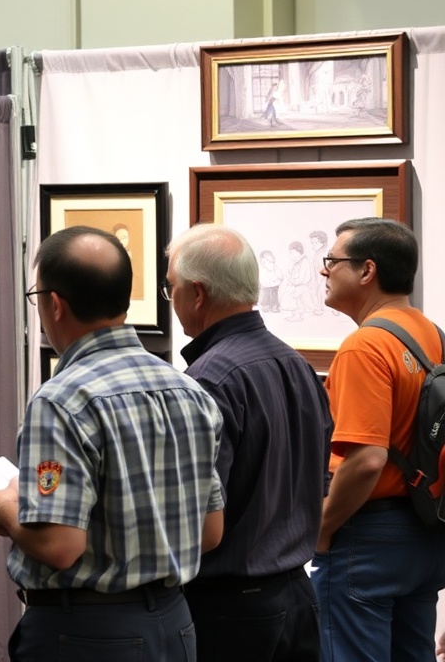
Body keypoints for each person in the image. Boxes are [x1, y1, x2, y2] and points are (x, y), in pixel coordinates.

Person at [0, 225, 225, 661]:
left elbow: (59, 546)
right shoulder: (190, 391)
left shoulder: (61, 401)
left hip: (85, 635)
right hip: (175, 624)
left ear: (55, 304)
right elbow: (210, 531)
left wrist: (0, 506)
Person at [166, 224, 332, 662]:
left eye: (171, 288)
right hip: (297, 595)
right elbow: (319, 482)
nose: (172, 300)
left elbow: (195, 516)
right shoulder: (298, 365)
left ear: (197, 293)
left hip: (230, 609)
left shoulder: (208, 380)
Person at [311, 217, 445, 661]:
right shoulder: (434, 336)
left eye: (332, 260)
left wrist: (322, 528)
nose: (324, 270)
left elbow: (367, 459)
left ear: (367, 270)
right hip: (426, 531)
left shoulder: (364, 346)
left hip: (367, 538)